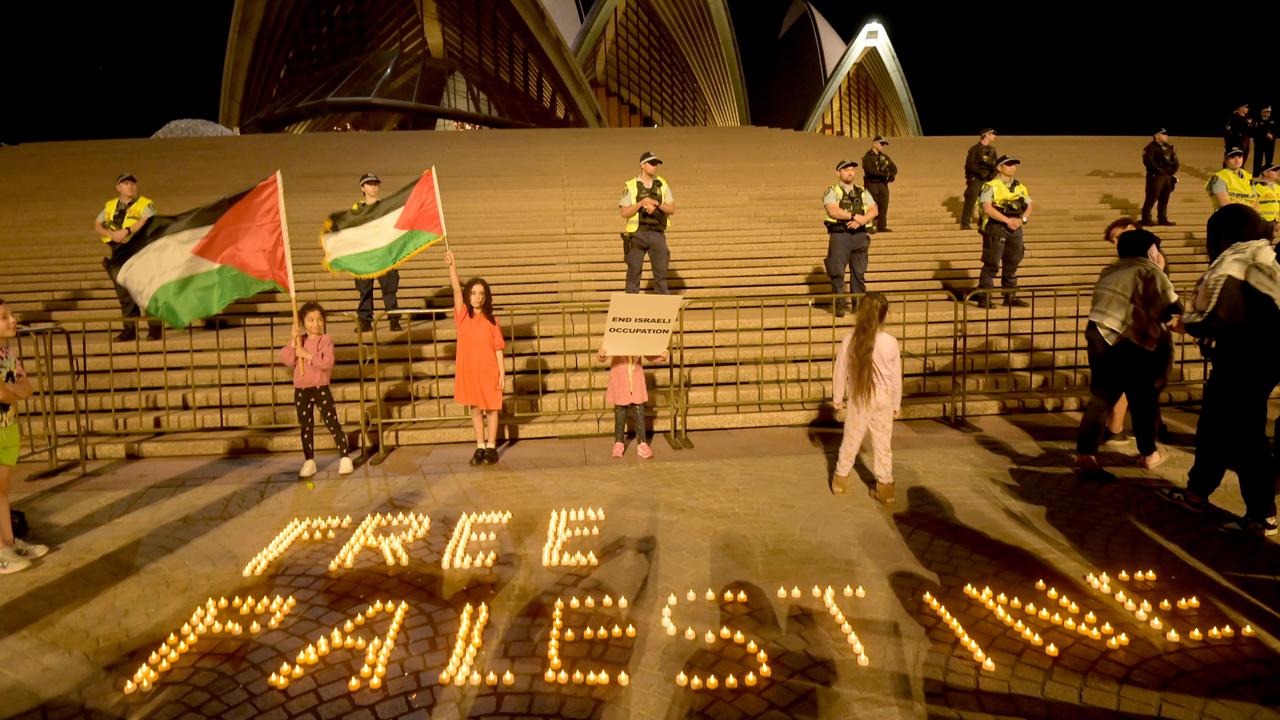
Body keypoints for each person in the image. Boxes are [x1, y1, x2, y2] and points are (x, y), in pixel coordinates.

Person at [1165, 205, 1280, 537]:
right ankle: (1197, 493)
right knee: (1215, 426)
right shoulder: (1266, 257)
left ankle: (1261, 513)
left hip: (1243, 359)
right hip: (1266, 357)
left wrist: (1183, 324)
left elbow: (1218, 314)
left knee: (1245, 435)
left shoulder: (1233, 264)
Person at [1075, 230, 1181, 473]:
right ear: (1150, 251)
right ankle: (1149, 453)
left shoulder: (1111, 270)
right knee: (1142, 396)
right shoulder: (1148, 270)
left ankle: (1085, 454)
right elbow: (1171, 307)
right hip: (1131, 340)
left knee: (1102, 397)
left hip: (1100, 334)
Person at [831, 293, 901, 504]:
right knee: (882, 443)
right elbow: (896, 376)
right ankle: (886, 487)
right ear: (884, 315)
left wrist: (837, 396)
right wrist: (896, 403)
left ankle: (840, 480)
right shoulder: (890, 342)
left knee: (851, 439)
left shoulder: (850, 340)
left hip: (860, 396)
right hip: (883, 398)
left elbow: (840, 369)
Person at [0, 299, 48, 575]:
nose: (13, 320)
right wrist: (12, 389)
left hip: (8, 426)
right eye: (4, 317)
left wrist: (12, 389)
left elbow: (26, 387)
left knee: (3, 491)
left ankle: (8, 542)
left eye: (12, 315)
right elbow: (5, 393)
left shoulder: (9, 352)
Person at [444, 249, 505, 465]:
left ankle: (491, 446)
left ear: (486, 296)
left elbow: (498, 347)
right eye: (473, 293)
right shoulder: (463, 317)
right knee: (476, 408)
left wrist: (502, 372)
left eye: (481, 293)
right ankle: (479, 446)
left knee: (492, 408)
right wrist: (452, 266)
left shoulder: (492, 320)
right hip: (470, 371)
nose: (477, 297)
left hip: (489, 370)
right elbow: (456, 290)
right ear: (469, 296)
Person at [281, 303, 354, 478]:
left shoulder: (325, 340)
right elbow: (287, 360)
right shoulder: (300, 341)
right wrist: (293, 341)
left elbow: (327, 362)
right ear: (302, 322)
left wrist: (307, 355)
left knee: (331, 421)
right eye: (311, 320)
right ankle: (309, 460)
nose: (316, 324)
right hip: (301, 388)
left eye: (319, 320)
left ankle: (344, 456)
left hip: (320, 386)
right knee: (306, 425)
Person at [93, 173, 161, 341]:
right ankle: (129, 329)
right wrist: (110, 233)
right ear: (118, 188)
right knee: (124, 293)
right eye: (125, 184)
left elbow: (148, 220)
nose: (130, 187)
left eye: (132, 184)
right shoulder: (110, 206)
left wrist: (127, 231)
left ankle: (154, 328)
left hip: (139, 249)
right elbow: (97, 223)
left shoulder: (145, 203)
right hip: (118, 250)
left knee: (146, 289)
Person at [823, 160, 879, 316]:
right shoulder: (832, 191)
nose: (850, 172)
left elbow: (874, 210)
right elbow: (833, 211)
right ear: (838, 173)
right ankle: (840, 305)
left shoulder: (862, 191)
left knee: (859, 273)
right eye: (846, 170)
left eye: (852, 170)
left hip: (860, 235)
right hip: (840, 235)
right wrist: (854, 216)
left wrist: (862, 219)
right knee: (837, 272)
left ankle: (859, 305)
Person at [976, 155, 1033, 307]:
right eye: (1009, 164)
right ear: (999, 168)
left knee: (1012, 263)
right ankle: (984, 297)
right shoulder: (990, 186)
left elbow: (1029, 206)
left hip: (1016, 227)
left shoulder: (1020, 186)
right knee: (992, 264)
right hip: (996, 227)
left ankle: (1010, 297)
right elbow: (987, 208)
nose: (1013, 167)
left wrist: (1022, 220)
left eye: (1014, 164)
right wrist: (1008, 221)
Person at [350, 173, 401, 333]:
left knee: (389, 289)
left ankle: (394, 320)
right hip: (365, 255)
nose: (373, 187)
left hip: (384, 253)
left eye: (375, 184)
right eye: (369, 184)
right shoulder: (357, 208)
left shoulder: (385, 206)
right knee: (365, 289)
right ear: (362, 188)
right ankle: (365, 320)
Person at [619, 152, 676, 294]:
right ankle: (631, 311)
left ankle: (663, 312)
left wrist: (656, 203)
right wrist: (641, 203)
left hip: (657, 234)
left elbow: (671, 209)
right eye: (652, 163)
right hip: (637, 235)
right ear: (643, 165)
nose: (655, 166)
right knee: (633, 274)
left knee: (661, 276)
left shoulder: (662, 184)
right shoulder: (631, 185)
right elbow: (624, 212)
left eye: (656, 164)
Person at [598, 344, 667, 459]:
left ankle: (642, 443)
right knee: (620, 412)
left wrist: (660, 356)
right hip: (620, 380)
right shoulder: (615, 336)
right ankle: (618, 442)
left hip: (636, 379)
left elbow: (648, 354)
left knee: (639, 411)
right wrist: (601, 354)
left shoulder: (637, 338)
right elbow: (604, 352)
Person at [961, 129, 998, 230]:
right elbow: (969, 164)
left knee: (986, 201)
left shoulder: (992, 150)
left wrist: (992, 175)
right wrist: (979, 173)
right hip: (976, 178)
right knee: (971, 199)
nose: (994, 136)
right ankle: (965, 222)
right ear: (986, 135)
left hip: (987, 179)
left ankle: (983, 222)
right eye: (993, 134)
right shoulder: (974, 149)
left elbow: (996, 165)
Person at [1141, 128, 1179, 226]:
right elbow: (1148, 161)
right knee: (1151, 198)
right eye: (1163, 134)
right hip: (1156, 176)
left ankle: (1162, 218)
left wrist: (1172, 171)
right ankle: (1146, 219)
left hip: (1167, 176)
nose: (1166, 136)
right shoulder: (1150, 147)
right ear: (1156, 136)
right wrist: (1159, 171)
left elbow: (1174, 160)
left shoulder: (1168, 147)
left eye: (1166, 134)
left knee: (1164, 198)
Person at [861, 136, 897, 232]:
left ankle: (882, 226)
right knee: (871, 206)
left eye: (883, 144)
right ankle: (869, 226)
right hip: (871, 184)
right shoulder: (867, 157)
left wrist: (890, 176)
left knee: (883, 206)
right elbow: (869, 171)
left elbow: (894, 168)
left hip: (882, 185)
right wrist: (883, 174)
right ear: (875, 144)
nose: (883, 146)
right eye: (881, 144)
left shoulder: (884, 157)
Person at [1252, 106, 1275, 177]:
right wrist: (1265, 134)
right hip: (1260, 144)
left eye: (1269, 112)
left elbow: (1275, 130)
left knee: (1269, 162)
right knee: (1257, 161)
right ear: (1262, 112)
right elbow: (1255, 131)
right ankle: (1255, 177)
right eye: (1267, 112)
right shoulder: (1257, 120)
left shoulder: (1272, 120)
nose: (1269, 113)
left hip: (1270, 145)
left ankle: (1267, 177)